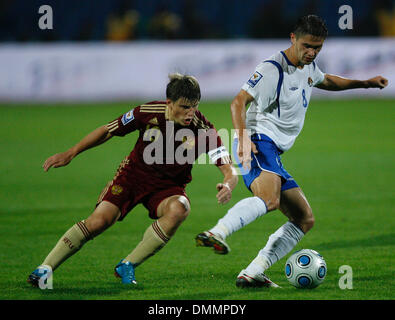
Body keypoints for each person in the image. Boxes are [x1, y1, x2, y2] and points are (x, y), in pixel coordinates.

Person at [196, 15, 388, 288]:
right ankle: (217, 232)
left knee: (304, 219)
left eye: (318, 48)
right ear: (293, 39)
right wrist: (243, 138)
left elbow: (326, 81)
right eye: (307, 45)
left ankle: (253, 272)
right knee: (270, 200)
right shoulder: (272, 68)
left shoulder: (308, 66)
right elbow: (238, 102)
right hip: (258, 141)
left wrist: (365, 83)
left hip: (272, 149)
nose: (312, 52)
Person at [28, 73, 238, 287]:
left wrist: (228, 185)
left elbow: (229, 169)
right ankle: (45, 268)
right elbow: (107, 131)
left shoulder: (203, 130)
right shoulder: (146, 113)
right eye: (184, 107)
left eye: (194, 106)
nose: (190, 113)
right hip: (132, 177)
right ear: (169, 103)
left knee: (180, 208)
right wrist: (71, 152)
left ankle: (128, 264)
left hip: (168, 188)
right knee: (99, 221)